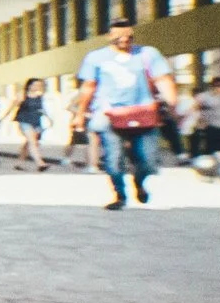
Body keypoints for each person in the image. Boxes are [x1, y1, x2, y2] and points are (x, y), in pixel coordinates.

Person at [72, 17, 179, 210]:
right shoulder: (95, 58)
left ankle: (139, 182)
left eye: (129, 36)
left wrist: (173, 105)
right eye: (119, 37)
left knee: (148, 160)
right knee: (113, 160)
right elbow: (88, 87)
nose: (124, 40)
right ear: (109, 36)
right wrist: (80, 114)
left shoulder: (148, 53)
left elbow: (163, 79)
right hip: (109, 115)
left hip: (144, 113)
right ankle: (120, 195)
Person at [7, 77, 53, 170]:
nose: (37, 87)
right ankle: (40, 163)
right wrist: (4, 118)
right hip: (24, 120)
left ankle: (20, 163)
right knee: (32, 142)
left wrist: (49, 118)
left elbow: (42, 108)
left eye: (39, 85)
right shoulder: (23, 95)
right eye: (35, 85)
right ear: (29, 85)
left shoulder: (39, 96)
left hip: (36, 121)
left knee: (29, 142)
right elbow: (12, 106)